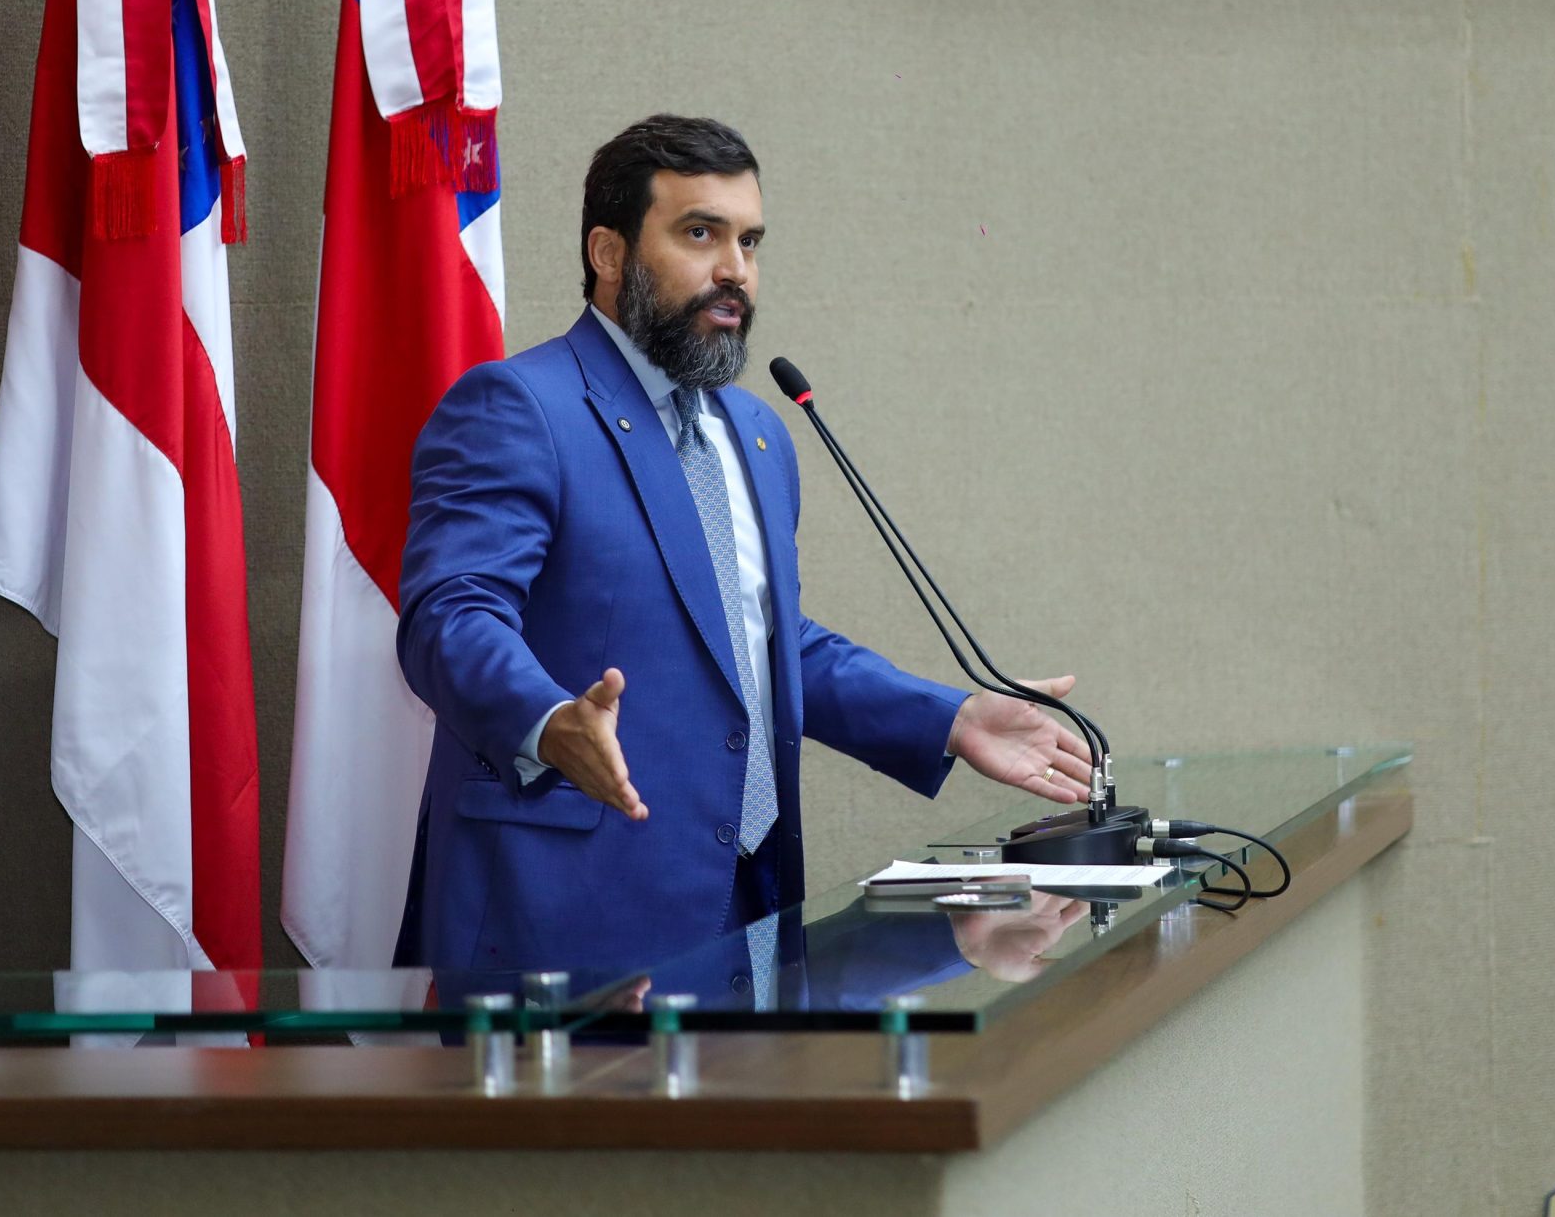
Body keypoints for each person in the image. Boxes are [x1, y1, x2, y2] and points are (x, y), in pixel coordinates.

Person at [396, 115, 1093, 978]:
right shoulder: (518, 408)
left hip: (751, 904)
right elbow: (448, 616)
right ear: (609, 253)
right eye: (700, 233)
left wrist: (948, 718)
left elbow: (768, 642)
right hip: (570, 921)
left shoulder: (757, 432)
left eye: (750, 240)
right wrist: (546, 720)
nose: (735, 270)